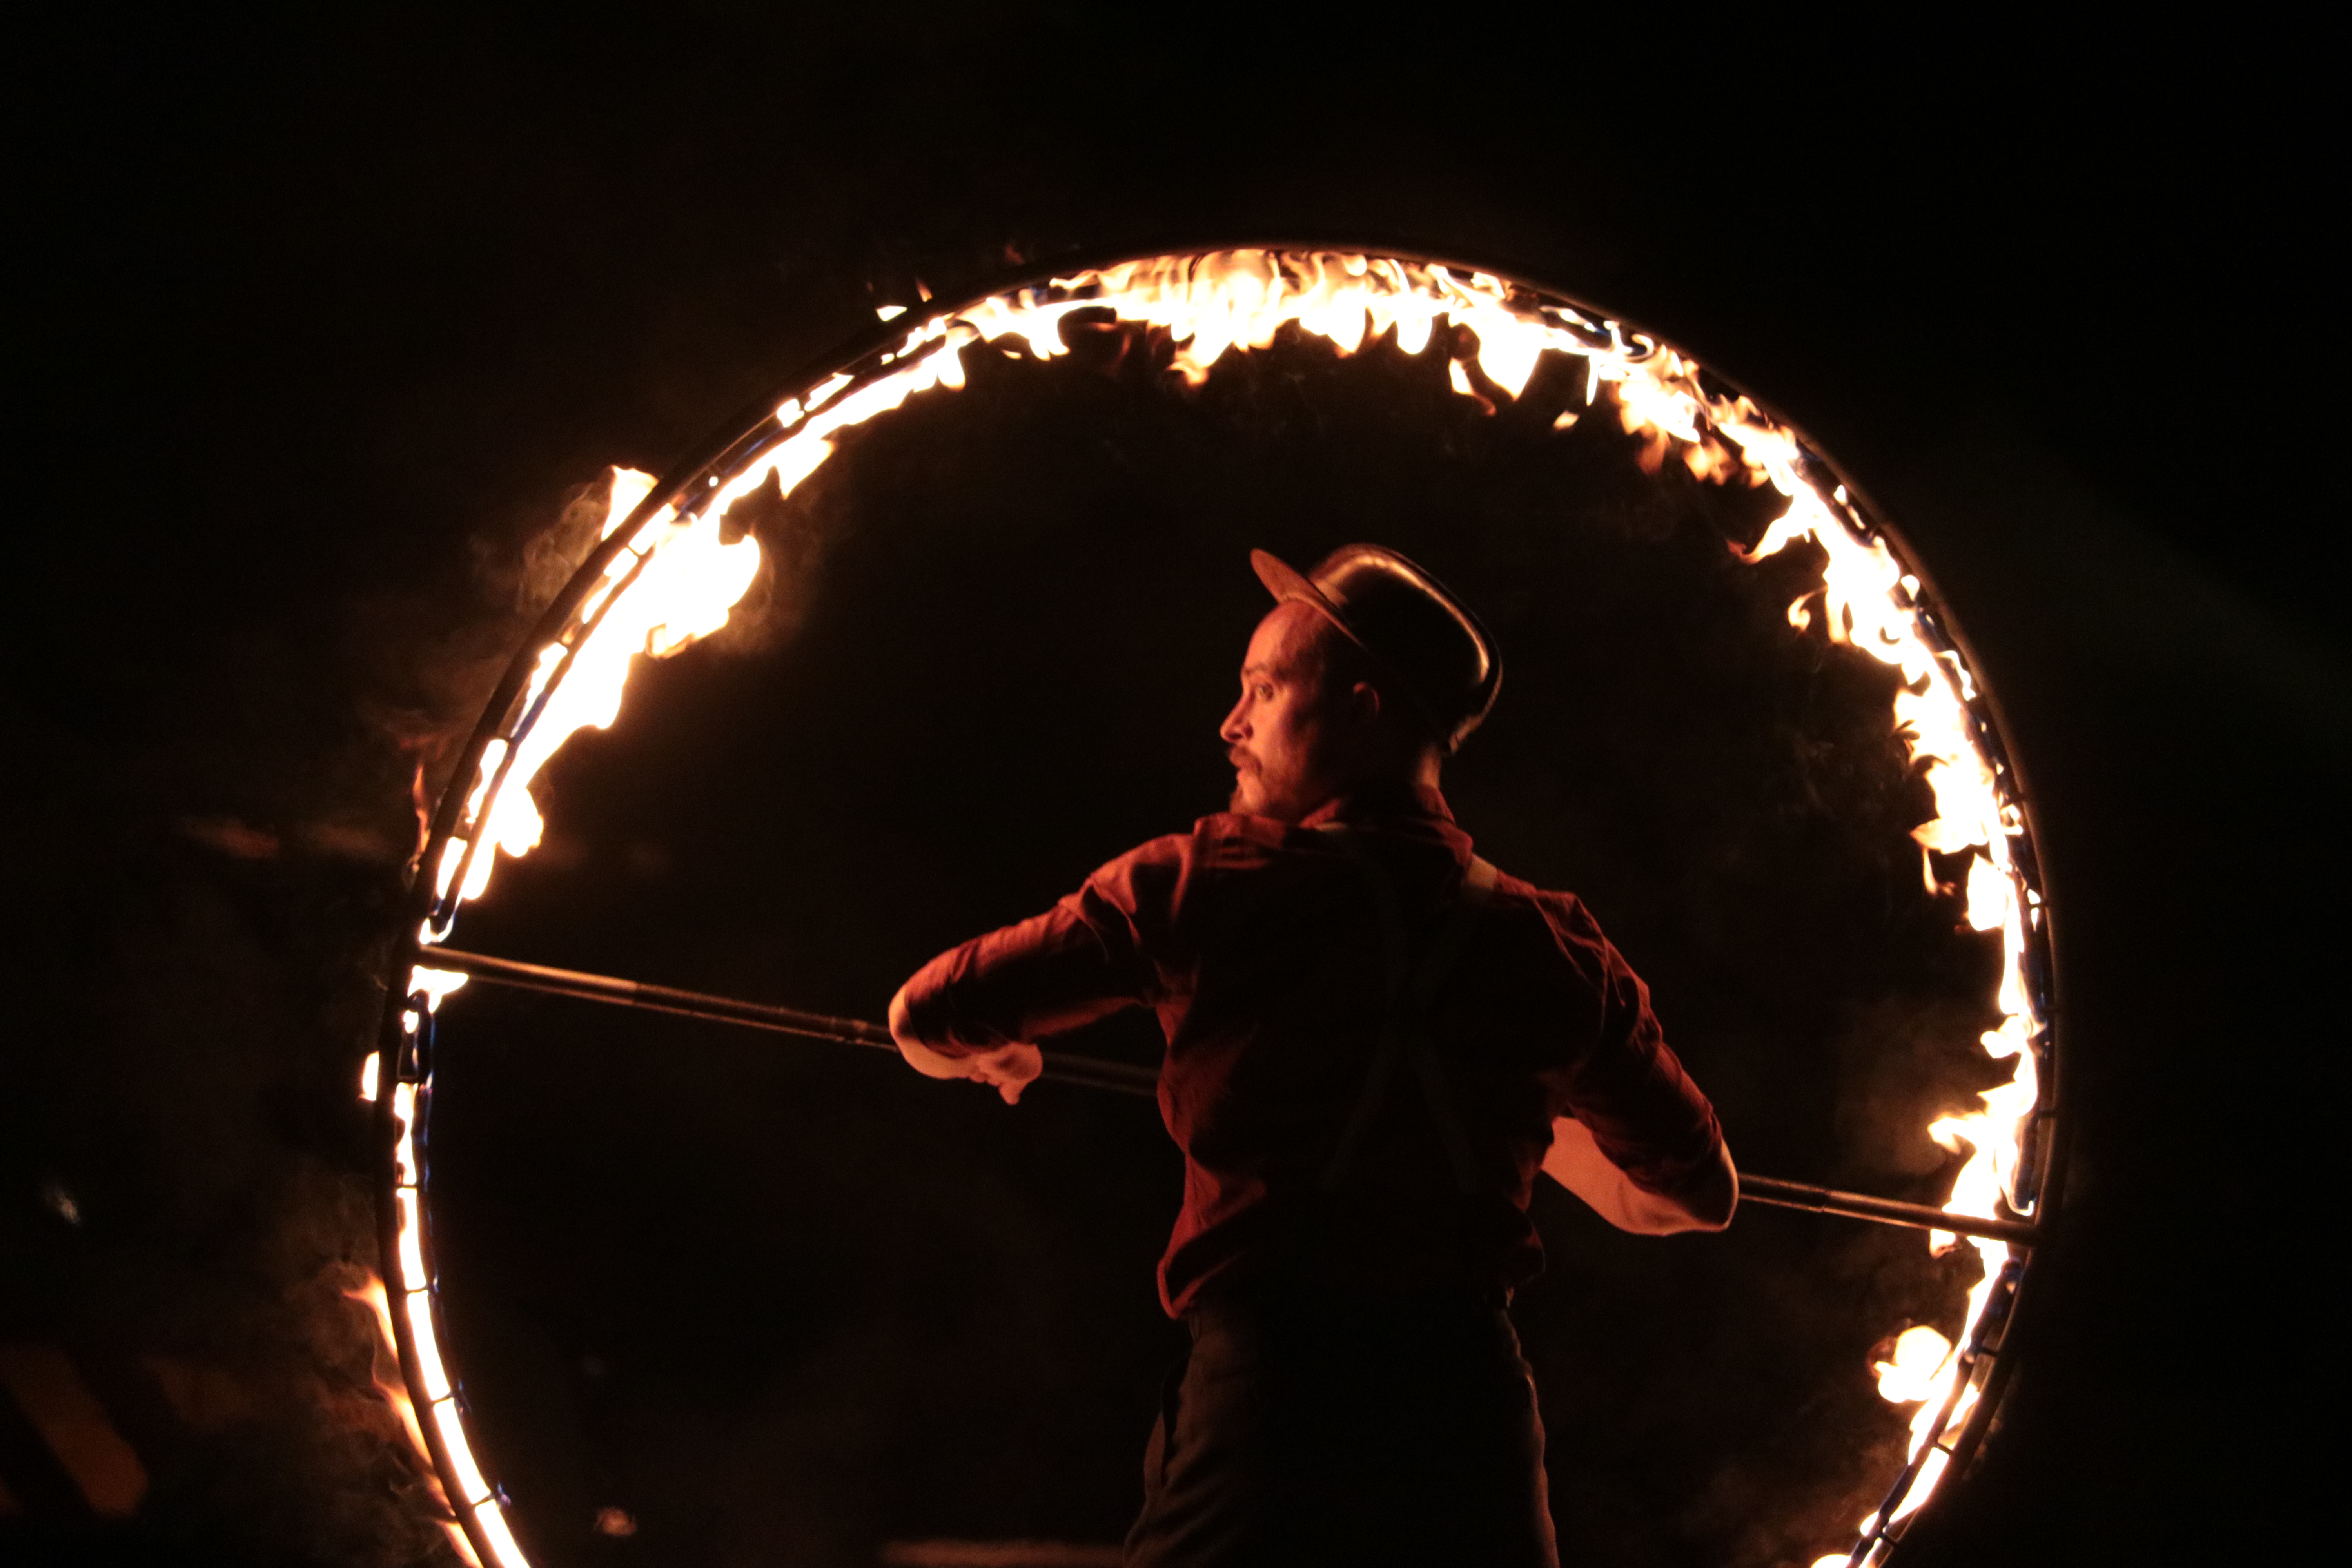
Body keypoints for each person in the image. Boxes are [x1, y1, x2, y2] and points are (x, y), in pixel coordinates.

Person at [889, 545, 1736, 1568]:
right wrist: (1512, 1121)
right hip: (1469, 1431)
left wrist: (1002, 1056)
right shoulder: (1553, 947)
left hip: (1269, 1417)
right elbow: (1695, 1195)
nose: (1229, 725)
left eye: (1262, 689)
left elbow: (927, 1016)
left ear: (1365, 707)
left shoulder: (1197, 883)